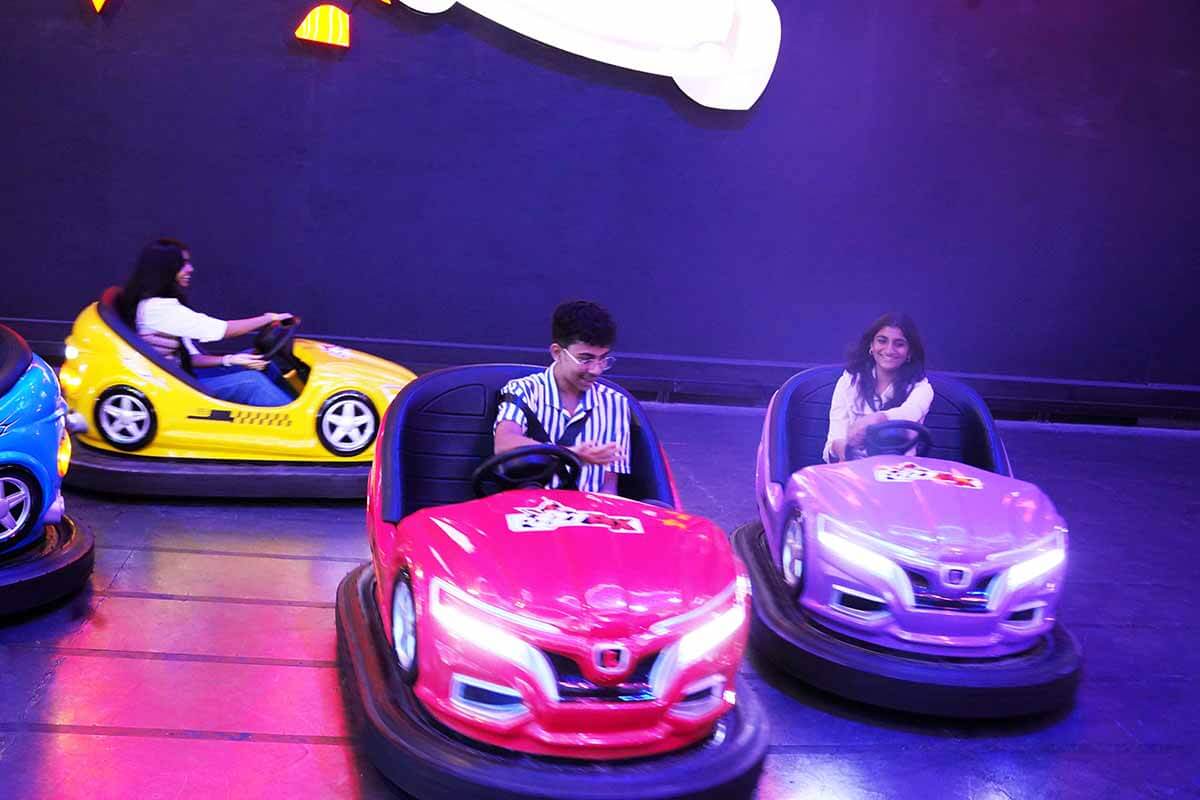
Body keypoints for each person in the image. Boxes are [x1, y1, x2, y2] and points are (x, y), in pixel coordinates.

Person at [116, 238, 294, 407]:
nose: (190, 269)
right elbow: (224, 330)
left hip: (186, 375)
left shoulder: (163, 305)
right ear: (165, 268)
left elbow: (191, 359)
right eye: (183, 264)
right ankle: (299, 422)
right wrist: (268, 318)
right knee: (252, 382)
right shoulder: (157, 308)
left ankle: (290, 406)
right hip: (177, 386)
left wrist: (230, 359)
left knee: (261, 362)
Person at [494, 300, 631, 494]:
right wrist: (569, 453)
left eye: (603, 359)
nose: (596, 370)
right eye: (585, 359)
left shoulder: (615, 404)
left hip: (588, 510)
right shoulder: (523, 390)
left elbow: (609, 486)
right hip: (530, 507)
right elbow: (504, 443)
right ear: (557, 353)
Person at [824, 312, 933, 463]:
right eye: (882, 341)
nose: (889, 350)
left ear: (910, 352)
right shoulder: (849, 381)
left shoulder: (922, 388)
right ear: (871, 345)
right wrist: (842, 449)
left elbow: (910, 411)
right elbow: (834, 439)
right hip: (853, 468)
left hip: (900, 471)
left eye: (899, 344)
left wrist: (877, 419)